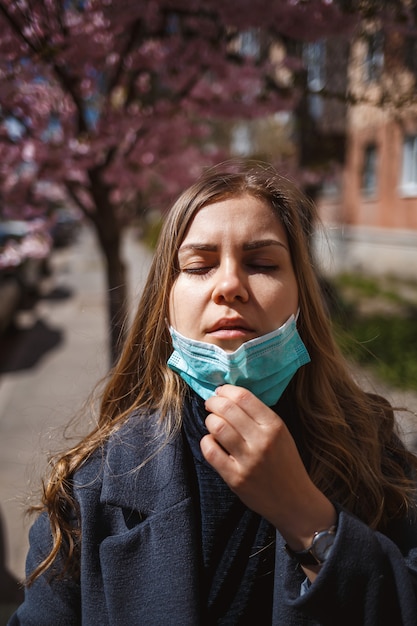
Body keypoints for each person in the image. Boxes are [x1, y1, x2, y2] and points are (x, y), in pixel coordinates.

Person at [9, 161, 417, 625]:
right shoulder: (87, 494)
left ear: (301, 295)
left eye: (262, 264)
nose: (229, 286)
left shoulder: (378, 458)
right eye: (199, 266)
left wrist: (309, 519)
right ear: (166, 301)